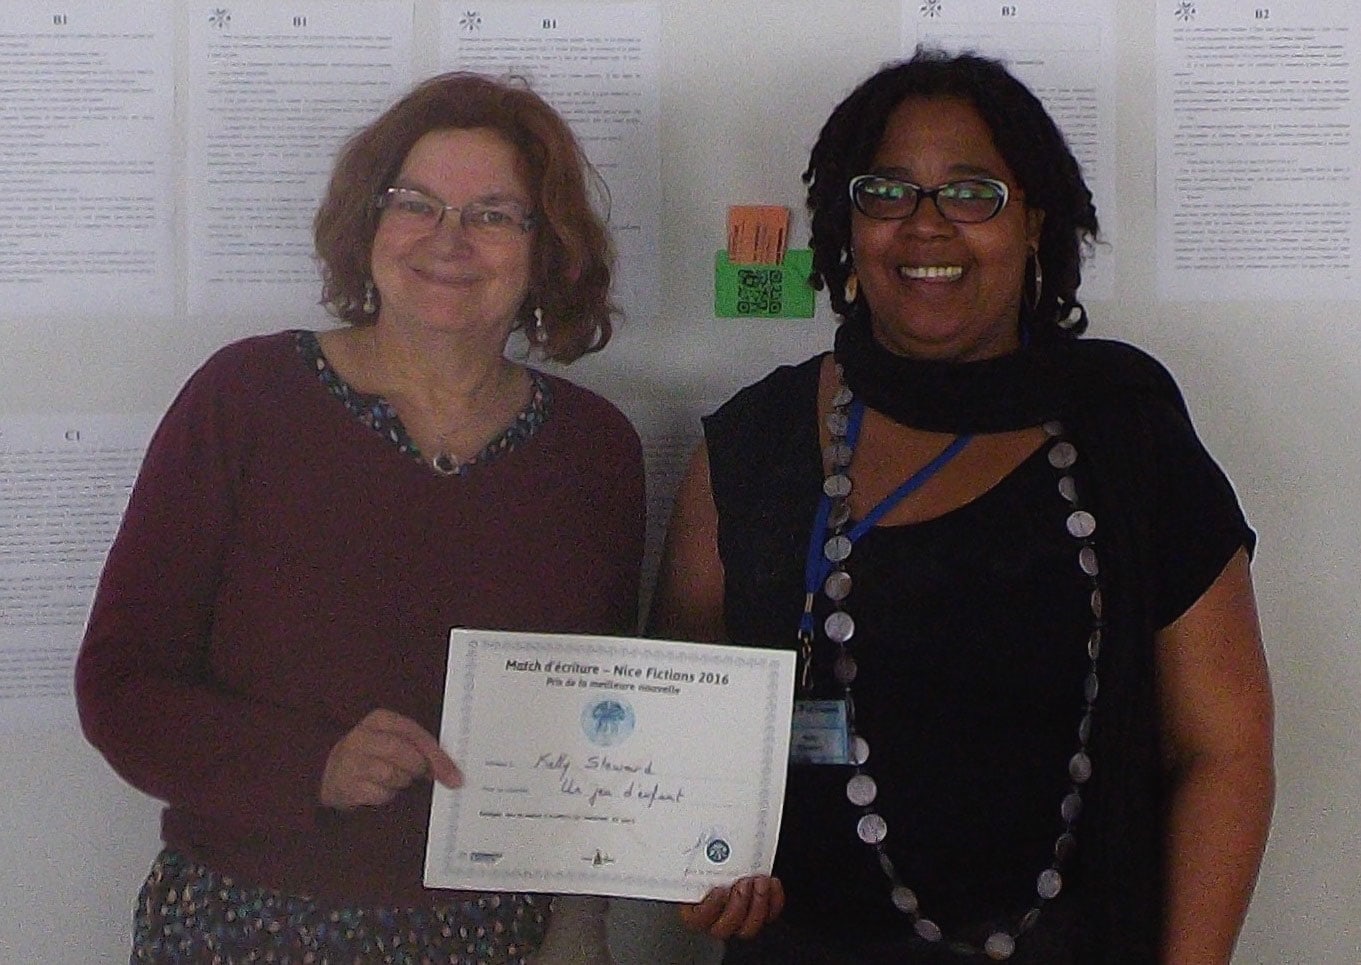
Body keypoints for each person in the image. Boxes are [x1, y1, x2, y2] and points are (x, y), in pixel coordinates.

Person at [650, 49, 1274, 963]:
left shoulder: (1125, 430)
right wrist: (686, 864)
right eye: (887, 191)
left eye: (971, 192)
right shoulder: (752, 443)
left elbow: (1224, 749)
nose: (925, 225)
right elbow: (672, 742)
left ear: (1033, 222)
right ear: (847, 227)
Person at [76, 72, 643, 964]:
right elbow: (120, 686)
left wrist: (582, 926)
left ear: (546, 250)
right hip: (245, 926)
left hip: (498, 937)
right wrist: (313, 765)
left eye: (494, 214)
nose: (449, 239)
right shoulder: (246, 398)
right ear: (367, 223)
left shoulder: (593, 448)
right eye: (415, 203)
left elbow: (606, 721)